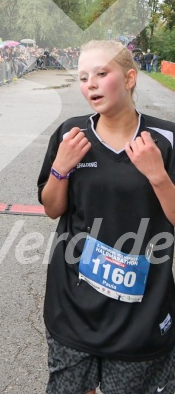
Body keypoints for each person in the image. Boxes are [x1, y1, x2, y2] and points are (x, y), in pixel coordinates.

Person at [37, 39, 175, 394]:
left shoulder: (165, 139)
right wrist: (60, 168)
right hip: (73, 305)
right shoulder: (71, 134)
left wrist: (158, 176)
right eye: (83, 78)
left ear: (129, 78)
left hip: (141, 314)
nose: (91, 84)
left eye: (101, 73)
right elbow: (52, 208)